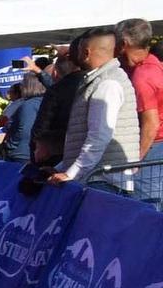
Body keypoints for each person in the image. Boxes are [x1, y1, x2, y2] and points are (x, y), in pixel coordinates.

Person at [51, 27, 140, 194]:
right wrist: (61, 167)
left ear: (86, 52)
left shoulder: (107, 84)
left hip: (104, 181)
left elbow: (98, 136)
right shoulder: (100, 80)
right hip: (101, 178)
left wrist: (71, 173)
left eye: (76, 50)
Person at [116, 18, 163, 205]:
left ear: (124, 43)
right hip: (157, 146)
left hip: (154, 146)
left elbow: (151, 123)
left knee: (147, 206)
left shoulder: (142, 77)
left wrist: (136, 161)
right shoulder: (154, 64)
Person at [0, 72, 46, 164]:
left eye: (23, 84)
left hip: (21, 153)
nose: (21, 87)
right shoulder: (42, 101)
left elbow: (24, 130)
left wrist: (11, 145)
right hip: (32, 151)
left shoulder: (28, 105)